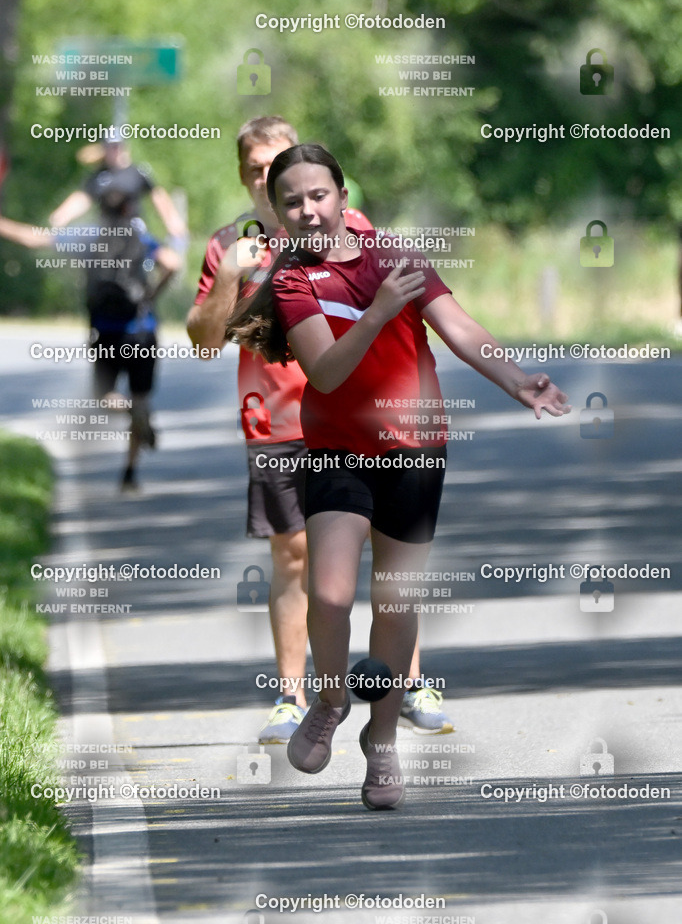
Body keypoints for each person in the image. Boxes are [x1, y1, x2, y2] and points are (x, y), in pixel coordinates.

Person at [225, 143, 570, 810]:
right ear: (279, 211)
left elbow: (459, 326)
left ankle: (381, 745)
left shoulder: (397, 258)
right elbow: (325, 372)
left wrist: (517, 380)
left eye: (318, 195)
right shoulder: (294, 282)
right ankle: (329, 699)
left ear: (342, 198)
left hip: (415, 451)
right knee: (328, 595)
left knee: (395, 605)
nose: (307, 209)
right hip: (336, 451)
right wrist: (379, 311)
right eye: (291, 200)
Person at [187, 116, 453, 743]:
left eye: (273, 162)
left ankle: (407, 680)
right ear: (247, 179)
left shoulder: (353, 231)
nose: (263, 176)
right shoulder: (231, 244)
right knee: (295, 556)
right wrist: (229, 277)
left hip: (363, 418)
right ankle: (294, 696)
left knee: (388, 556)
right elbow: (202, 343)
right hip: (277, 417)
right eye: (253, 168)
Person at [0, 188, 180, 489]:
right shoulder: (141, 235)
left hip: (105, 331)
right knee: (142, 398)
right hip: (142, 329)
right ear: (130, 208)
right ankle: (130, 472)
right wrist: (152, 294)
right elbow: (172, 264)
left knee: (104, 396)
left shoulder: (88, 235)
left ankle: (131, 413)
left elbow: (33, 238)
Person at [49, 131, 187, 242]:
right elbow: (82, 198)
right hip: (105, 231)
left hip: (134, 229)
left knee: (169, 263)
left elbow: (158, 196)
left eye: (118, 146)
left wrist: (172, 221)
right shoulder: (99, 176)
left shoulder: (137, 172)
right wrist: (62, 215)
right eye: (111, 147)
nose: (115, 151)